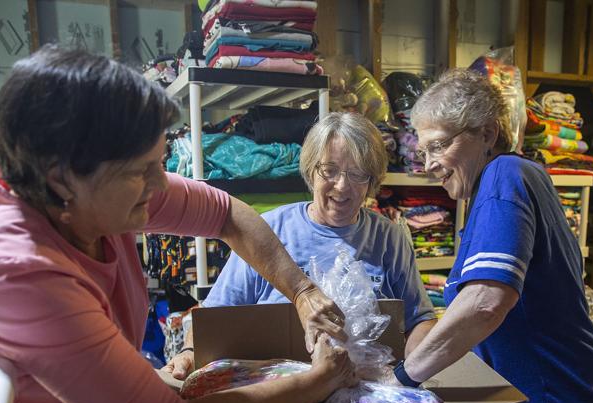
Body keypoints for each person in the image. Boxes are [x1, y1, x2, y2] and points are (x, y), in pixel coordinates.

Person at [0, 46, 357, 403]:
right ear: (60, 178)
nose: (160, 184)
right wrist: (316, 383)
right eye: (142, 171)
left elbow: (227, 215)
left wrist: (301, 291)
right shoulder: (15, 275)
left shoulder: (90, 192)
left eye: (159, 163)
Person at [385, 68, 593, 403]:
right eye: (424, 150)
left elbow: (486, 302)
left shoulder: (504, 177)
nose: (430, 163)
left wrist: (405, 380)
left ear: (488, 133)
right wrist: (453, 384)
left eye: (440, 145)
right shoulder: (504, 186)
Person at [164, 112, 438, 380]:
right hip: (274, 393)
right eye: (329, 170)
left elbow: (420, 320)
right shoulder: (267, 230)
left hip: (365, 391)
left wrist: (410, 381)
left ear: (372, 180)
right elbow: (216, 315)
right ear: (311, 170)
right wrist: (189, 352)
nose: (342, 186)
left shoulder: (389, 238)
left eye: (357, 174)